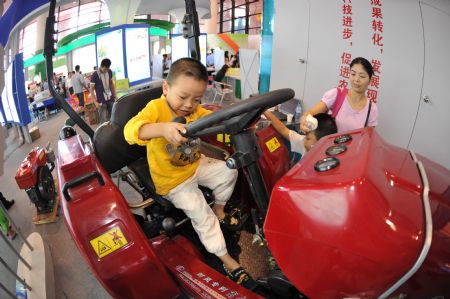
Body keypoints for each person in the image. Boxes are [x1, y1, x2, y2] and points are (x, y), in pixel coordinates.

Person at [124, 58, 255, 289]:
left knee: (230, 171)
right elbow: (130, 130)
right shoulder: (156, 109)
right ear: (166, 88)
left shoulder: (195, 110)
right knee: (199, 212)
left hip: (195, 165)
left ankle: (220, 209)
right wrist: (163, 128)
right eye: (183, 97)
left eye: (196, 99)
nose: (188, 105)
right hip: (173, 180)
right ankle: (226, 259)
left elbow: (210, 116)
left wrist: (237, 116)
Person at [300, 57, 378, 133]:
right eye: (353, 74)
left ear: (370, 80)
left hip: (355, 146)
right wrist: (304, 118)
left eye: (362, 76)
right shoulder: (337, 94)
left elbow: (368, 138)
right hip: (331, 146)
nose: (356, 79)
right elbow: (310, 113)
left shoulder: (371, 109)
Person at [265, 112, 337, 156]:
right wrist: (265, 112)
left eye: (308, 138)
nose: (304, 140)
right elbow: (283, 130)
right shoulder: (305, 144)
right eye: (306, 136)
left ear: (322, 143)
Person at [90, 58, 117, 124]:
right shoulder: (95, 75)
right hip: (101, 100)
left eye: (107, 69)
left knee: (114, 117)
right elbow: (91, 89)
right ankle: (103, 132)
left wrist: (114, 94)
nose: (106, 71)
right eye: (105, 69)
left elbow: (111, 83)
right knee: (103, 120)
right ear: (101, 66)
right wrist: (95, 102)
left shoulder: (109, 71)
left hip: (110, 98)